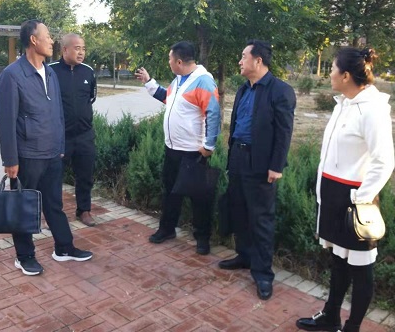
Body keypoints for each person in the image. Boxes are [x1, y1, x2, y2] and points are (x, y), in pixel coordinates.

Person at [296, 47, 394, 332]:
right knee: (338, 260)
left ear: (346, 75)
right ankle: (331, 317)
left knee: (361, 268)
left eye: (332, 69)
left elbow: (384, 161)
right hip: (333, 194)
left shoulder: (372, 109)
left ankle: (352, 327)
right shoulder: (344, 104)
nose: (329, 74)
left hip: (355, 201)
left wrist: (359, 199)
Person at [0, 20, 93, 276]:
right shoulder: (12, 75)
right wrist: (10, 159)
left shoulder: (49, 72)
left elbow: (57, 112)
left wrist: (60, 145)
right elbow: (5, 120)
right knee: (24, 206)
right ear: (33, 40)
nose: (51, 41)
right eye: (47, 36)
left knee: (54, 204)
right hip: (27, 155)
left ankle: (64, 247)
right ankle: (24, 256)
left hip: (52, 153)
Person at [218, 39, 296, 301]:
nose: (240, 61)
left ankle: (263, 273)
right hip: (238, 158)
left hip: (261, 164)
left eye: (244, 56)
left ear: (258, 60)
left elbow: (284, 132)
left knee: (261, 219)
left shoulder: (280, 91)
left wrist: (276, 165)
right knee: (239, 210)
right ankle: (244, 256)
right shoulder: (244, 89)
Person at [135, 41, 221, 255]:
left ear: (179, 61)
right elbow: (169, 98)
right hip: (172, 149)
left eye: (170, 59)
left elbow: (213, 113)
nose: (169, 63)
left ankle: (202, 237)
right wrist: (149, 82)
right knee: (170, 192)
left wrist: (209, 145)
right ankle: (167, 229)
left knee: (199, 197)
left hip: (193, 152)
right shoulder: (178, 80)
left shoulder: (203, 81)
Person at [50, 34, 97, 227]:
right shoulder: (51, 71)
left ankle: (84, 210)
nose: (81, 52)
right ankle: (54, 214)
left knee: (85, 176)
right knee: (54, 177)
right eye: (77, 48)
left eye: (83, 49)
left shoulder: (88, 72)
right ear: (65, 49)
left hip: (84, 135)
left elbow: (91, 98)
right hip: (60, 137)